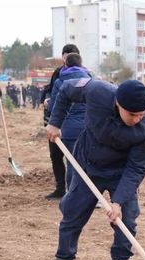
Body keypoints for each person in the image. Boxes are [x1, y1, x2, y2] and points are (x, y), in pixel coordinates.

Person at [44, 79, 145, 260]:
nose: (137, 119)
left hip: (120, 173)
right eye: (132, 114)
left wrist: (119, 201)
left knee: (127, 224)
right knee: (71, 218)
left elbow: (136, 169)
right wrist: (55, 122)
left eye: (141, 114)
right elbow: (66, 90)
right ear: (117, 103)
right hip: (87, 166)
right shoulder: (97, 92)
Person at [42, 44, 81, 200]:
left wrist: (49, 103)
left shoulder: (65, 77)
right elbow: (50, 89)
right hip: (62, 121)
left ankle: (72, 193)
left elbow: (55, 101)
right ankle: (61, 188)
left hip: (63, 122)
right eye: (67, 54)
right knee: (57, 155)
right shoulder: (59, 73)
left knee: (73, 158)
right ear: (63, 55)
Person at [48, 53, 90, 189]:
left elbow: (56, 106)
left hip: (69, 128)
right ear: (81, 65)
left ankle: (73, 196)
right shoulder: (90, 79)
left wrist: (47, 104)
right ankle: (91, 197)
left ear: (65, 64)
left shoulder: (60, 82)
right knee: (89, 161)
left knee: (72, 162)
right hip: (89, 126)